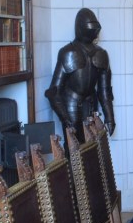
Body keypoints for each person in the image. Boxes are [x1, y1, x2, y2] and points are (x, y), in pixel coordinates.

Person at [45, 8, 115, 142]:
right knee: (73, 147)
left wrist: (110, 118)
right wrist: (65, 118)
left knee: (92, 145)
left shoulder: (101, 53)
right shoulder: (67, 52)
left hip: (91, 103)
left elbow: (104, 91)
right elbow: (54, 92)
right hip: (71, 102)